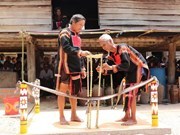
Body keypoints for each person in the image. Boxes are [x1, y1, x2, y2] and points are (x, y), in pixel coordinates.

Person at [97, 34, 149, 126]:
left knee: (132, 92)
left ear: (110, 41)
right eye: (102, 46)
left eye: (104, 45)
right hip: (129, 71)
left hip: (138, 67)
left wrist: (110, 67)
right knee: (126, 92)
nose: (103, 47)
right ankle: (126, 116)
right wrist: (103, 70)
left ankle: (133, 118)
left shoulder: (122, 48)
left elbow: (125, 65)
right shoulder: (111, 55)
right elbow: (113, 69)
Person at [56, 14, 91, 125]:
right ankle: (61, 116)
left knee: (74, 92)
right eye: (80, 24)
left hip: (76, 68)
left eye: (83, 25)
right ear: (73, 23)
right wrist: (80, 52)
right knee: (62, 92)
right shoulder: (64, 33)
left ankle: (73, 114)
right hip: (65, 67)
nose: (82, 27)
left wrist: (82, 68)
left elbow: (78, 52)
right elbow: (66, 48)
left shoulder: (77, 36)